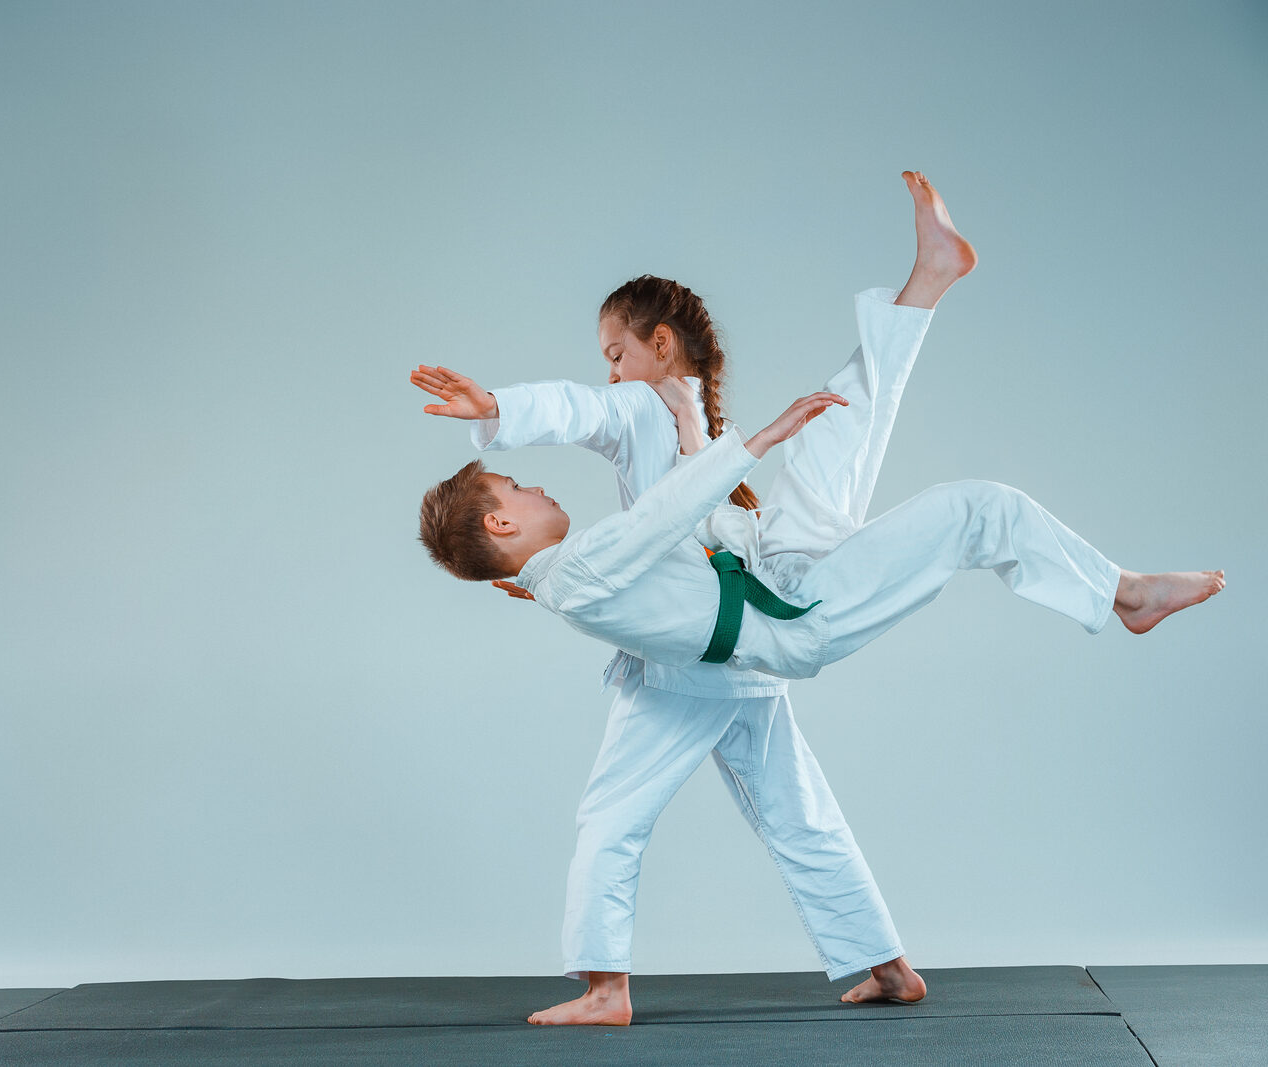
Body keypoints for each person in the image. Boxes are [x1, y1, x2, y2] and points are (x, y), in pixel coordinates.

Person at [413, 174, 1225, 1024]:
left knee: (840, 417)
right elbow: (602, 445)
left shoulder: (680, 423)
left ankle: (928, 284)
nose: (606, 371)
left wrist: (741, 444)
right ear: (504, 518)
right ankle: (1122, 592)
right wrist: (501, 408)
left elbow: (666, 521)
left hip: (759, 583)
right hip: (739, 633)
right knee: (967, 508)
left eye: (616, 352)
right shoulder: (629, 419)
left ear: (659, 343)